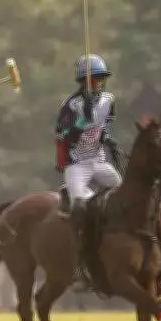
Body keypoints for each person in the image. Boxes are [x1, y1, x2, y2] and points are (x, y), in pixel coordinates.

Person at [55, 54, 121, 232]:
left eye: (101, 79)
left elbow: (103, 126)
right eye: (94, 80)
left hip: (98, 161)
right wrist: (81, 122)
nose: (98, 83)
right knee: (80, 207)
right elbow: (62, 136)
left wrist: (107, 139)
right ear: (83, 82)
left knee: (123, 194)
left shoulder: (109, 100)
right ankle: (81, 247)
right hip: (77, 164)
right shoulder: (71, 104)